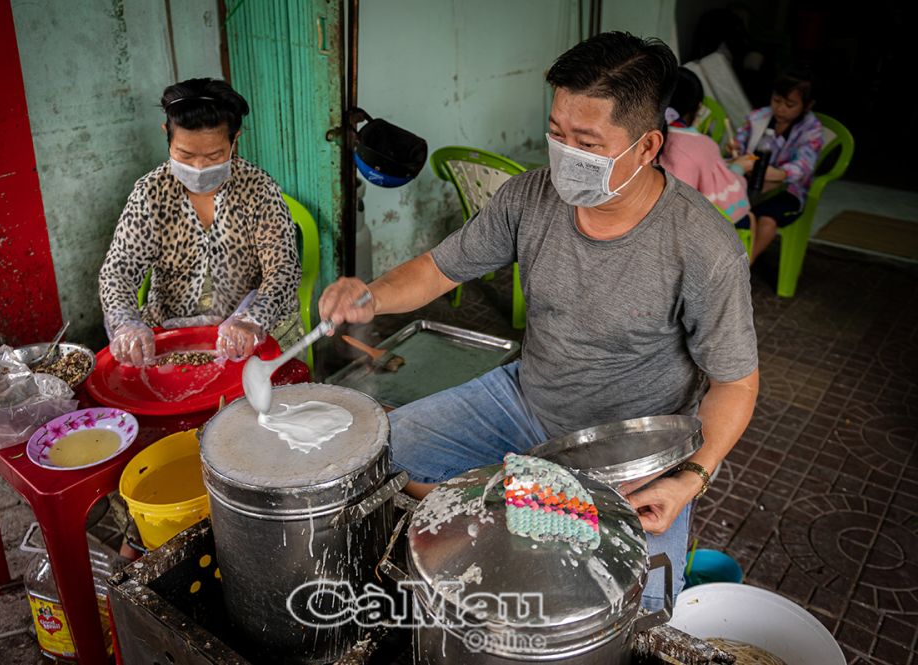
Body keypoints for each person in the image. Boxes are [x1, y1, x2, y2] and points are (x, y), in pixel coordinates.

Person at [320, 32, 759, 610]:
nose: (564, 154)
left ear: (648, 145)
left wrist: (690, 479)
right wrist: (369, 297)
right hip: (523, 400)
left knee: (644, 604)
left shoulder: (701, 246)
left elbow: (735, 383)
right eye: (557, 133)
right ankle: (511, 501)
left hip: (632, 451)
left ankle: (517, 503)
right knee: (365, 458)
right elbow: (438, 268)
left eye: (587, 141)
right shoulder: (530, 197)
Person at [99, 78, 302, 366]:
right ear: (167, 135)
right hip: (172, 332)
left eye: (213, 156)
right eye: (185, 155)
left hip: (249, 331)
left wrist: (253, 319)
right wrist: (126, 323)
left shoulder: (259, 188)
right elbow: (118, 272)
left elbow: (283, 268)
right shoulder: (150, 193)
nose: (198, 168)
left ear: (235, 141)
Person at [729, 67, 823, 264]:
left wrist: (768, 172)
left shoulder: (811, 130)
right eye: (777, 101)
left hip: (788, 190)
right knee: (731, 208)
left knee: (767, 219)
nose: (780, 109)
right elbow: (740, 142)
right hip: (751, 183)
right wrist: (735, 147)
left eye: (789, 105)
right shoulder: (758, 117)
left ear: (807, 105)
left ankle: (745, 267)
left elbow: (801, 168)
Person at [659, 68, 753, 230]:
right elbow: (731, 203)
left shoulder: (640, 134)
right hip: (684, 229)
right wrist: (738, 168)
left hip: (646, 220)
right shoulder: (703, 144)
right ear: (699, 108)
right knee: (749, 219)